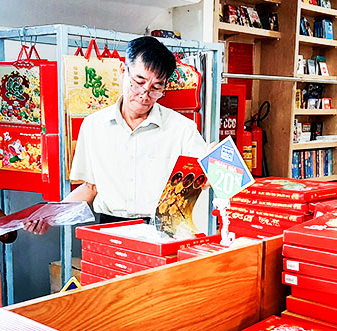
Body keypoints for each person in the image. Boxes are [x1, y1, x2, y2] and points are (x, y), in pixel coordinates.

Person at [26, 36, 207, 234]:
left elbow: (204, 179)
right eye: (138, 82)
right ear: (123, 71)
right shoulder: (94, 126)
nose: (144, 95)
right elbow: (90, 188)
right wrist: (49, 216)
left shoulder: (182, 129)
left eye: (156, 88)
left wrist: (217, 166)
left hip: (162, 231)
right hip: (108, 228)